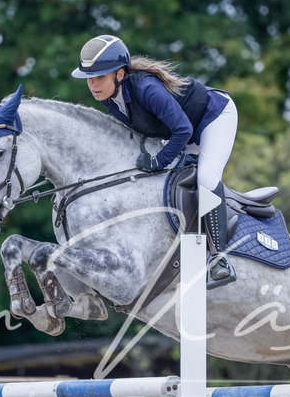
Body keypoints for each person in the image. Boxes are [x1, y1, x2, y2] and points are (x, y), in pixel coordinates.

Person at [71, 34, 238, 288]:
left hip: (213, 117)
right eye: (89, 79)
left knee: (206, 177)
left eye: (100, 77)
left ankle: (219, 258)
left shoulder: (145, 88)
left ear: (119, 74)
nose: (93, 84)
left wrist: (159, 160)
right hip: (182, 131)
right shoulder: (110, 100)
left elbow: (181, 129)